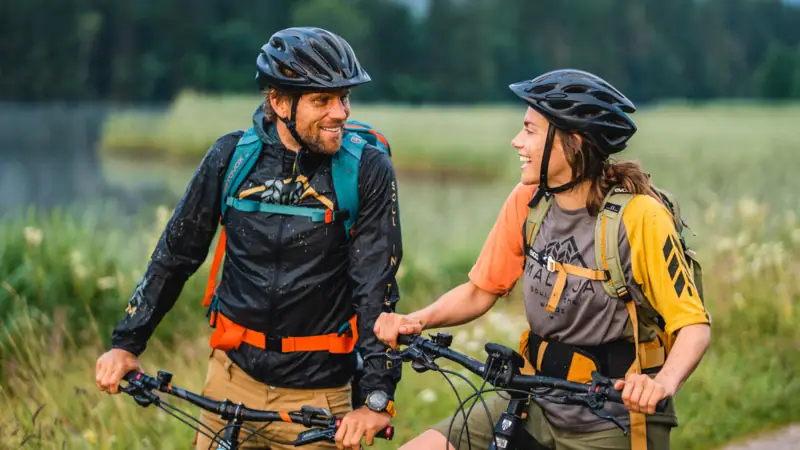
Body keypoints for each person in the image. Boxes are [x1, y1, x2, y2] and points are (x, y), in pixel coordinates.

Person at [95, 27, 402, 450]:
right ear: (278, 101)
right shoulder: (230, 157)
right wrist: (126, 343)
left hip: (319, 397)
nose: (340, 112)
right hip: (229, 382)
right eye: (322, 100)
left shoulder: (367, 169)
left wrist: (376, 396)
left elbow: (376, 290)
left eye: (344, 97)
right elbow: (176, 254)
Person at [374, 69, 711, 450]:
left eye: (530, 130)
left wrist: (660, 384)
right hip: (535, 401)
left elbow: (693, 326)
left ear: (573, 141)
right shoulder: (529, 201)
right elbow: (480, 291)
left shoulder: (639, 218)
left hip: (612, 419)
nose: (517, 141)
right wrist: (416, 320)